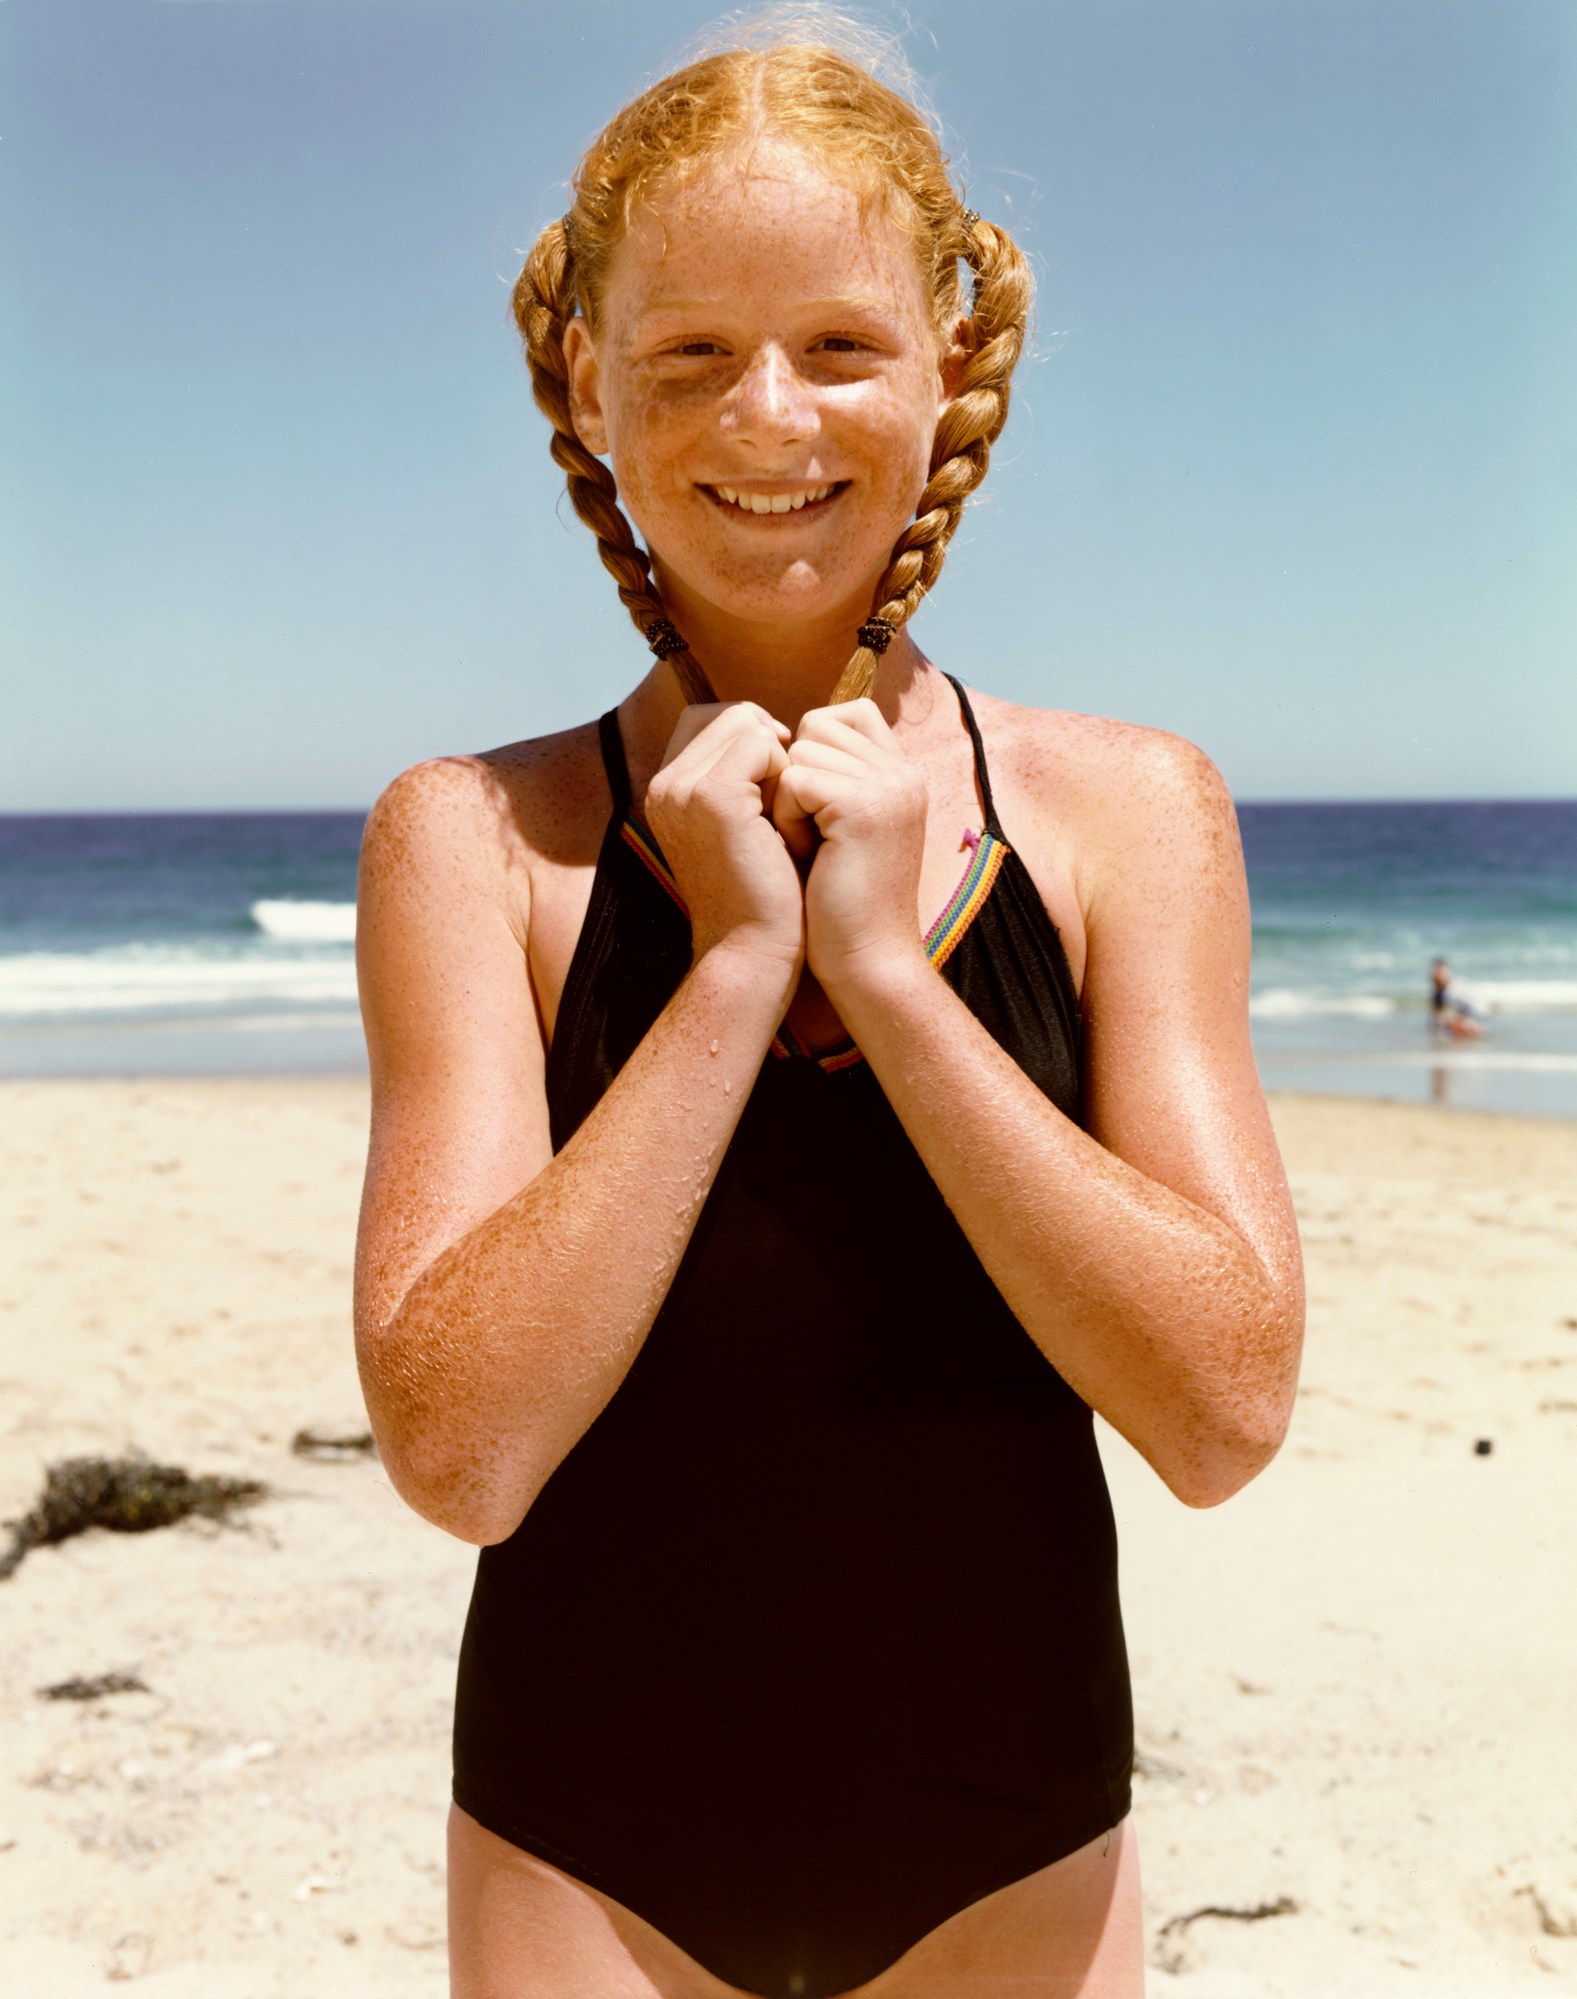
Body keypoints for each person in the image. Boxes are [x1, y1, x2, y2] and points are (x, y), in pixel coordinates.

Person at [353, 20, 1304, 1998]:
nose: (766, 415)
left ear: (944, 366)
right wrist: (725, 967)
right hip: (581, 1854)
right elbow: (460, 1457)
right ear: (585, 388)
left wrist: (884, 965)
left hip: (1011, 1856)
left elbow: (1217, 1412)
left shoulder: (1124, 816)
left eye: (837, 346)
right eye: (687, 353)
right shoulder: (473, 844)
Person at [1430, 956, 1484, 1040]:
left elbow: (1473, 1008)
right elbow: (1438, 1016)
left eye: (1439, 972)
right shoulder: (1439, 993)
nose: (1435, 975)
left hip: (1472, 1017)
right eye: (1435, 972)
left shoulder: (1454, 989)